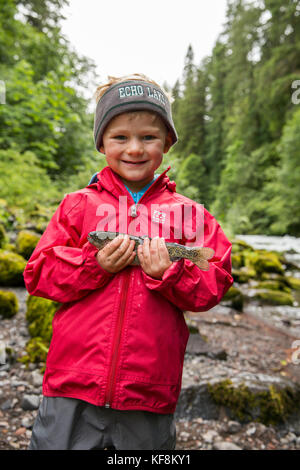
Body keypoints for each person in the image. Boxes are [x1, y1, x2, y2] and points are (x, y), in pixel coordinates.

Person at [23, 73, 233, 450]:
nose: (134, 148)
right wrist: (95, 265)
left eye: (148, 137)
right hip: (72, 382)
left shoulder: (189, 215)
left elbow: (214, 282)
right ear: (102, 143)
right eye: (120, 137)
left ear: (167, 143)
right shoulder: (78, 204)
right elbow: (38, 275)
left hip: (149, 389)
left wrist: (171, 272)